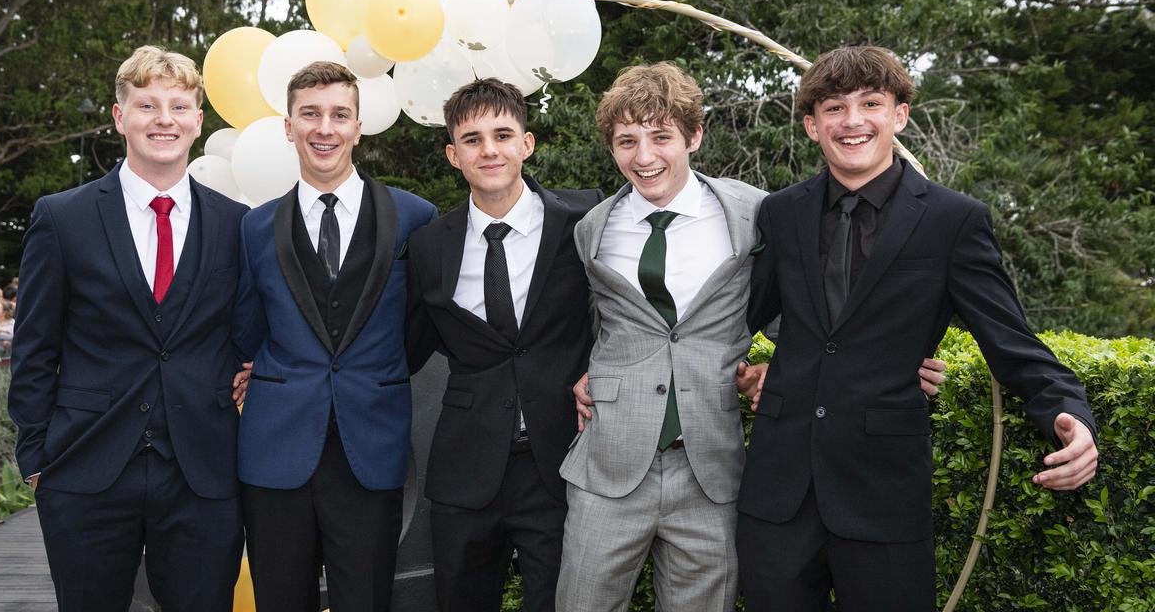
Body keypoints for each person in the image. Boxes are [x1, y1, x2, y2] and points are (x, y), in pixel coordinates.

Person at [737, 45, 1098, 612]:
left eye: (870, 104)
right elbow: (738, 318)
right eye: (834, 108)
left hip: (883, 492)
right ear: (812, 126)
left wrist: (1068, 410)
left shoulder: (954, 221)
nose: (852, 121)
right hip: (777, 493)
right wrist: (743, 368)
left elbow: (1011, 341)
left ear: (899, 116)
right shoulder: (781, 213)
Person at [8, 45, 248, 612]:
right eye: (147, 105)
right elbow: (35, 346)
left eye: (178, 106)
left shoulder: (237, 224)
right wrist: (37, 458)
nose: (163, 119)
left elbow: (249, 331)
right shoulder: (61, 217)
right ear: (120, 118)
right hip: (84, 468)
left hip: (204, 473)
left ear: (197, 120)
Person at [554, 62, 770, 611]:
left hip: (710, 469)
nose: (644, 157)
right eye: (627, 141)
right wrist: (584, 371)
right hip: (608, 462)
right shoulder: (591, 230)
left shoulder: (750, 213)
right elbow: (585, 320)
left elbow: (805, 305)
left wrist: (783, 365)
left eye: (660, 136)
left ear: (694, 136)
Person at [232, 61, 436, 612]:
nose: (325, 128)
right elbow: (246, 330)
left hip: (370, 445)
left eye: (339, 114)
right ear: (289, 126)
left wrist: (377, 373)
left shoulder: (414, 218)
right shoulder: (254, 228)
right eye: (310, 114)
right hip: (275, 450)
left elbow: (419, 327)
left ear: (359, 126)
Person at [404, 78, 603, 611]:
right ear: (453, 154)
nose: (488, 150)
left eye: (502, 134)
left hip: (561, 463)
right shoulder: (427, 246)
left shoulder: (583, 223)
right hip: (465, 469)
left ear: (527, 143)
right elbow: (403, 347)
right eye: (472, 139)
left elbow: (621, 317)